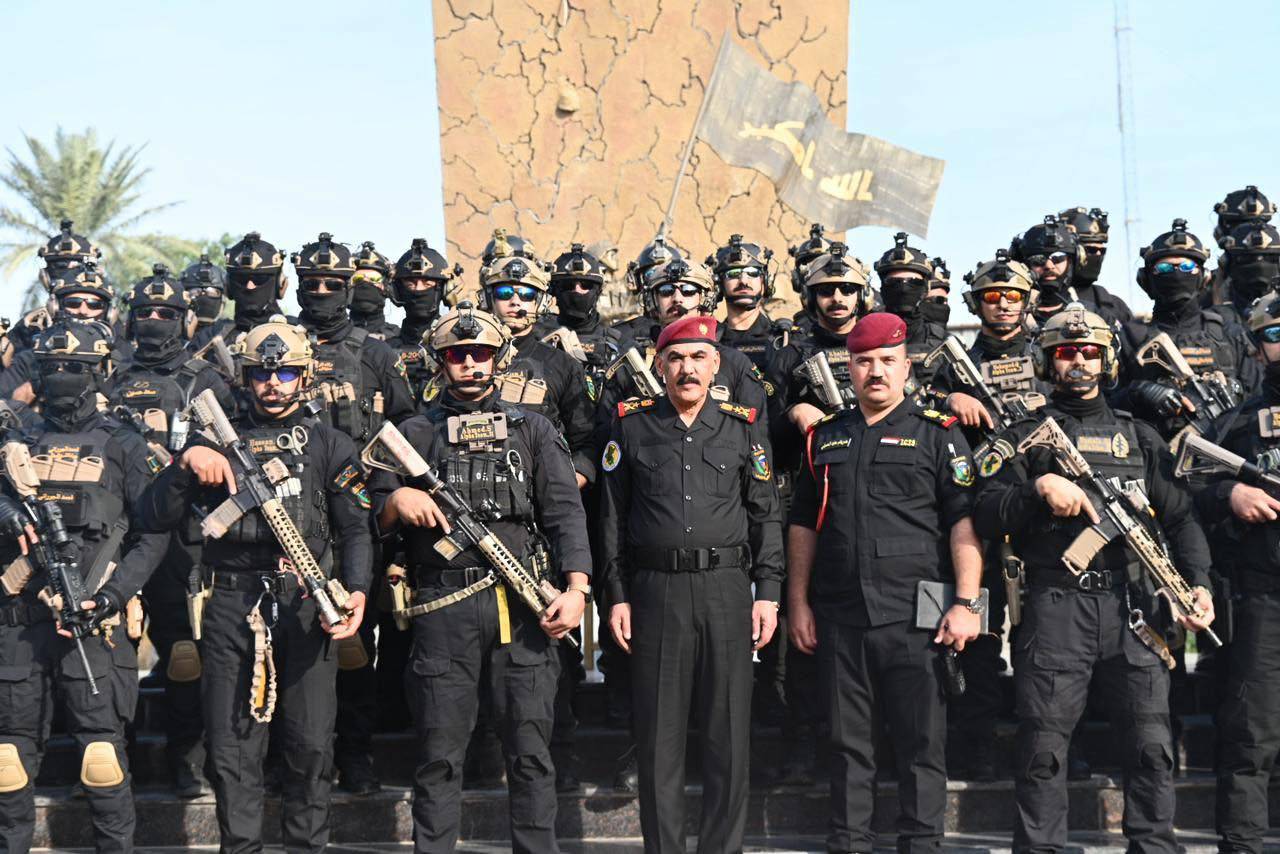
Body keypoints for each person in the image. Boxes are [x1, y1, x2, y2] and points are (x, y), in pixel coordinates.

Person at [973, 302, 1215, 854]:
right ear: (1046, 362)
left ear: (1107, 360)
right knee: (1043, 750)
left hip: (1134, 606)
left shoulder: (1140, 436)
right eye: (1065, 352)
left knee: (1152, 746)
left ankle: (1154, 845)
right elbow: (983, 511)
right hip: (1056, 606)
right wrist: (1037, 491)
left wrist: (1197, 583)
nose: (1078, 361)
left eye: (1089, 351)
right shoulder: (1025, 435)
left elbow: (1182, 519)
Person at [137, 317, 371, 853]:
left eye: (285, 372)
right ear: (244, 376)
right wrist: (185, 463)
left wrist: (356, 589)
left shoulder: (330, 443)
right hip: (232, 602)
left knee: (311, 744)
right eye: (262, 373)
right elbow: (153, 516)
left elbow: (356, 529)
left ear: (305, 376)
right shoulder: (213, 440)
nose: (273, 383)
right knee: (232, 746)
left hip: (309, 602)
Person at [368, 302, 591, 853]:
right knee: (439, 756)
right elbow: (365, 516)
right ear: (440, 362)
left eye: (481, 353)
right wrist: (396, 501)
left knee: (531, 753)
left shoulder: (533, 428)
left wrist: (577, 589)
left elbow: (565, 514)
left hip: (523, 607)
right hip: (443, 606)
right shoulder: (412, 434)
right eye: (457, 355)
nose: (470, 364)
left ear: (499, 358)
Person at [788, 312, 983, 854]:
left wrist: (967, 603)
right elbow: (803, 523)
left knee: (922, 745)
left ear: (906, 368)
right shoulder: (825, 437)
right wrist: (797, 602)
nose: (876, 372)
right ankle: (850, 843)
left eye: (887, 361)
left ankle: (921, 844)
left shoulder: (939, 434)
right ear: (849, 367)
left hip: (919, 618)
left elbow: (964, 524)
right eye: (864, 361)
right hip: (841, 615)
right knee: (847, 746)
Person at [598, 314, 783, 854]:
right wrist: (616, 597)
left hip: (727, 590)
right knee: (660, 740)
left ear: (716, 364)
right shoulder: (631, 427)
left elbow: (765, 515)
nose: (687, 368)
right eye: (676, 358)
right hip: (656, 593)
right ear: (659, 366)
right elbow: (610, 520)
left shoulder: (743, 426)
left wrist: (769, 594)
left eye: (699, 357)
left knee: (728, 736)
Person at [0, 319, 168, 853]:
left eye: (75, 367)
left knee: (101, 759)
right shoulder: (15, 439)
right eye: (52, 367)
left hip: (93, 621)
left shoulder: (125, 446)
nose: (62, 376)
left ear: (100, 372)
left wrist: (114, 597)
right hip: (20, 621)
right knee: (6, 761)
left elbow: (153, 535)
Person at [105, 266, 235, 799]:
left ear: (185, 321)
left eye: (166, 313)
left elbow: (228, 454)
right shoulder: (109, 380)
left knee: (184, 653)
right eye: (145, 313)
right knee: (114, 652)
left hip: (185, 538)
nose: (154, 320)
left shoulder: (204, 381)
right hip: (120, 536)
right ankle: (119, 762)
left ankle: (187, 763)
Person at [931, 250, 1049, 781]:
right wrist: (949, 398)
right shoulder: (953, 362)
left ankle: (1043, 746)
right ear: (974, 303)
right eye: (992, 296)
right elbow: (916, 403)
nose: (1003, 305)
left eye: (1013, 296)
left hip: (1040, 515)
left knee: (1041, 637)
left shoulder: (1049, 355)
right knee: (975, 634)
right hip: (974, 517)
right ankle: (975, 747)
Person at [1194, 293, 1280, 854]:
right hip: (1264, 598)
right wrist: (1231, 494)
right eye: (1276, 333)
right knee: (1252, 731)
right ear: (1255, 347)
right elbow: (1187, 487)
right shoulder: (1238, 423)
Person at [1115, 219, 1261, 442]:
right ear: (1146, 280)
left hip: (1227, 451)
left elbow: (1260, 396)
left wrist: (1237, 392)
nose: (1176, 274)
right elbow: (1101, 405)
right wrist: (1137, 393)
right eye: (1164, 268)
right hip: (1154, 452)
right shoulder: (1130, 338)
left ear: (1204, 276)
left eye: (1186, 267)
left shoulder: (1229, 333)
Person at [539, 242, 623, 407]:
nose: (577, 291)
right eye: (568, 286)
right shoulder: (538, 339)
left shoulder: (618, 344)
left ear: (598, 292)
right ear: (554, 291)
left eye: (586, 285)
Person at [386, 238, 462, 401]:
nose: (418, 290)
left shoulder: (460, 346)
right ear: (397, 291)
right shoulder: (383, 351)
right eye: (411, 284)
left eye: (428, 283)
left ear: (445, 289)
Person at [191, 231, 294, 350]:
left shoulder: (298, 333)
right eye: (242, 279)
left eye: (259, 279)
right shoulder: (208, 338)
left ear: (280, 284)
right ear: (228, 286)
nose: (249, 286)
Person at [706, 234, 790, 374]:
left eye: (752, 273)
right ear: (719, 284)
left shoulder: (785, 339)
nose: (743, 281)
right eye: (733, 273)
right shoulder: (709, 341)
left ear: (765, 282)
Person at [874, 233, 947, 390]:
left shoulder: (945, 343)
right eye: (894, 282)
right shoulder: (865, 338)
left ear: (925, 289)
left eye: (913, 282)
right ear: (882, 288)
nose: (903, 290)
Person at [1056, 207, 1136, 326]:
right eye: (1091, 250)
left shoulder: (1114, 305)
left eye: (1102, 251)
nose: (1098, 255)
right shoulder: (1046, 302)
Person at [1010, 215, 1090, 329]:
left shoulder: (1091, 313)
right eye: (1038, 259)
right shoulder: (1007, 315)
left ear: (1072, 261)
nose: (1049, 266)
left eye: (1058, 257)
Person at [349, 241, 402, 340]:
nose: (365, 284)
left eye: (374, 279)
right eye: (358, 279)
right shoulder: (333, 335)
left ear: (386, 287)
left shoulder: (398, 337)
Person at [179, 253, 230, 334]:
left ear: (223, 298)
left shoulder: (233, 334)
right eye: (195, 291)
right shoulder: (174, 332)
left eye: (212, 291)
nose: (204, 295)